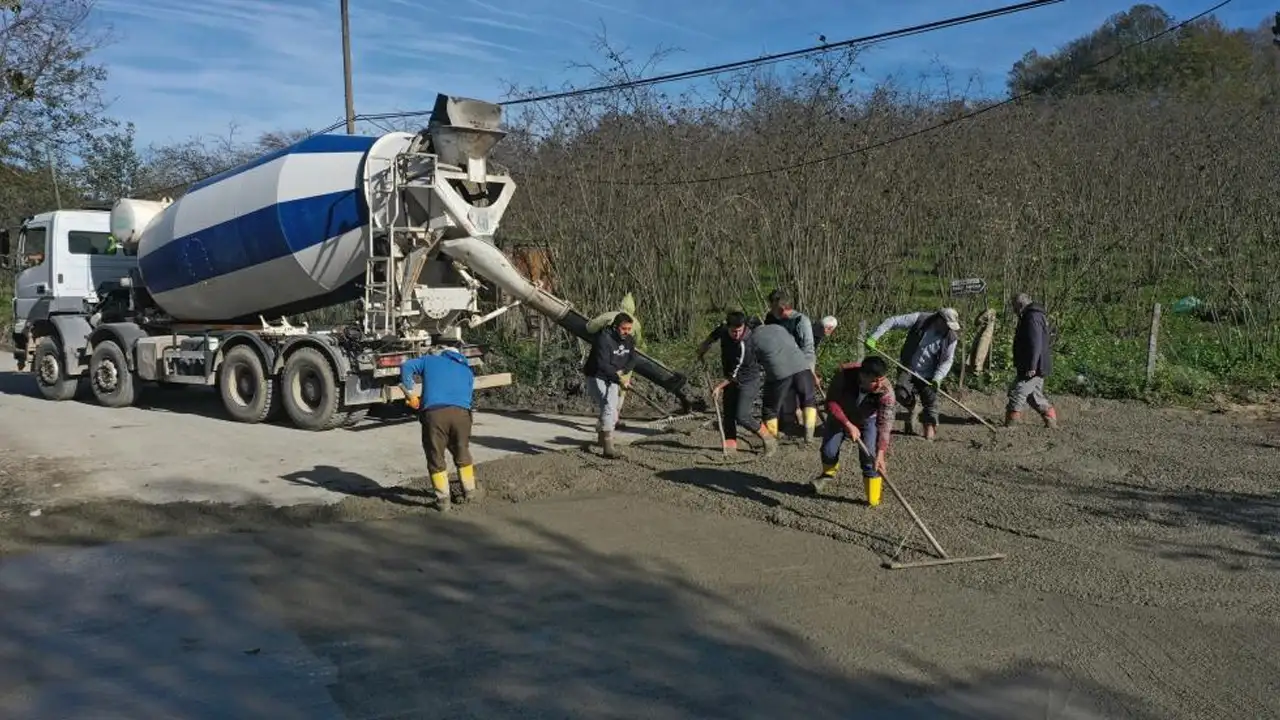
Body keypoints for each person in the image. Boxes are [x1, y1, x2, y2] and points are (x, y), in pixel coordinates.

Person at [400, 340, 479, 511]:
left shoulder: (430, 360)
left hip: (435, 414)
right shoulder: (467, 371)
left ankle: (443, 501)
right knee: (461, 450)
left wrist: (410, 393)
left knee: (436, 455)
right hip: (462, 415)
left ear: (443, 352)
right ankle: (471, 493)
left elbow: (406, 366)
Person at [810, 356, 895, 505]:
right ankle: (828, 474)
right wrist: (848, 425)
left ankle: (873, 500)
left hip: (868, 419)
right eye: (875, 380)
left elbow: (885, 424)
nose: (879, 384)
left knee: (871, 458)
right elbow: (831, 402)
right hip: (841, 414)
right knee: (828, 451)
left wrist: (881, 452)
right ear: (863, 376)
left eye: (882, 379)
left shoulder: (886, 392)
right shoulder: (844, 375)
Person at [864, 307, 959, 441]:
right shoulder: (920, 319)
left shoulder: (951, 338)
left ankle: (929, 432)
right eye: (946, 325)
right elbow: (893, 321)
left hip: (930, 374)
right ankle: (913, 407)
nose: (948, 329)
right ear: (939, 319)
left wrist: (938, 378)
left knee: (930, 403)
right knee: (900, 393)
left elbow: (947, 360)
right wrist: (874, 336)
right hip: (908, 367)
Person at [696, 310, 778, 456]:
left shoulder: (745, 344)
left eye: (740, 331)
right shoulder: (723, 330)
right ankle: (730, 447)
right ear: (728, 327)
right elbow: (715, 334)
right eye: (734, 331)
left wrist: (718, 387)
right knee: (728, 413)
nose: (737, 334)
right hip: (730, 377)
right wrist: (704, 346)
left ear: (744, 327)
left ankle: (768, 438)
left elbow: (735, 373)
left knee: (742, 416)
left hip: (748, 379)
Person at [750, 322, 819, 444]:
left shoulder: (752, 339)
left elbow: (754, 361)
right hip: (803, 367)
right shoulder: (779, 327)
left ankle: (772, 439)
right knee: (808, 400)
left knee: (770, 408)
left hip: (779, 373)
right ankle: (809, 436)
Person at [764, 288, 819, 438]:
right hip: (780, 365)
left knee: (806, 397)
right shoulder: (770, 318)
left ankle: (808, 435)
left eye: (772, 306)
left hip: (800, 365)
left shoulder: (801, 321)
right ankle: (786, 429)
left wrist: (810, 370)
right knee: (784, 399)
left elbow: (808, 348)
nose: (770, 309)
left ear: (781, 307)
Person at [583, 312, 638, 458]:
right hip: (596, 376)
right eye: (624, 329)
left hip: (614, 377)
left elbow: (632, 359)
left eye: (629, 329)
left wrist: (623, 372)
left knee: (610, 408)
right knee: (609, 407)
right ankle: (608, 447)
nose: (626, 332)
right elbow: (602, 364)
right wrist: (619, 379)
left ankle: (604, 440)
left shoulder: (629, 340)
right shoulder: (604, 339)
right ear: (615, 327)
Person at [1006, 293, 1059, 429]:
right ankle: (1050, 417)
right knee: (1033, 396)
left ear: (1020, 305)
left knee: (1018, 391)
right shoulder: (1033, 316)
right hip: (1035, 364)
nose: (1013, 310)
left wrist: (1032, 366)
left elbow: (1035, 343)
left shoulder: (1032, 317)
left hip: (1034, 365)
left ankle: (1011, 422)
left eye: (1014, 306)